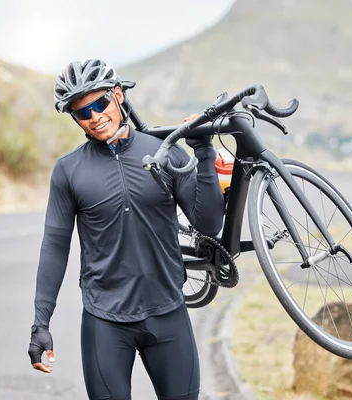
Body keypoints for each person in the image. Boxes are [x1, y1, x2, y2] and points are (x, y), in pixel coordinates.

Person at [28, 58, 225, 400]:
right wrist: (40, 323)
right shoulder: (69, 170)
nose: (95, 116)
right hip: (105, 321)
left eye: (100, 103)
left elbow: (208, 223)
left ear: (118, 95)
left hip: (168, 312)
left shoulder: (163, 154)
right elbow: (55, 247)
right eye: (82, 112)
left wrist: (204, 153)